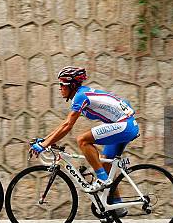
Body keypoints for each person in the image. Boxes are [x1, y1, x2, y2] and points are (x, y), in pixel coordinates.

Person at [31, 66, 139, 200]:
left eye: (62, 84)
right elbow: (64, 123)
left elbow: (67, 126)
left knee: (82, 140)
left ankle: (102, 180)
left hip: (125, 125)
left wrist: (43, 145)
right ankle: (116, 204)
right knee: (105, 164)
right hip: (125, 124)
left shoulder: (80, 96)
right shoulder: (82, 94)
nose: (60, 88)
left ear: (72, 85)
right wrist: (44, 140)